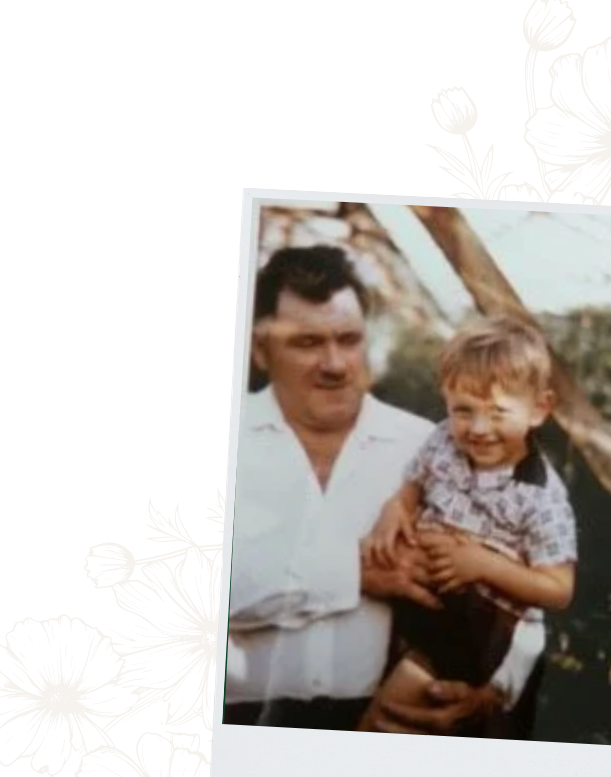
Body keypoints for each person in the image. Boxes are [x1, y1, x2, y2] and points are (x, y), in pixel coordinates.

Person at [224, 244, 540, 733]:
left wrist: (495, 691)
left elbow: (522, 598)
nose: (335, 364)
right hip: (232, 725)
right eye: (306, 343)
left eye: (348, 339)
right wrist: (354, 570)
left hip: (388, 726)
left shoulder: (429, 448)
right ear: (260, 351)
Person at [358, 315, 578, 736]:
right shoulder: (443, 440)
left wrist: (482, 564)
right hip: (420, 594)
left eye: (497, 412)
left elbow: (559, 589)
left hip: (473, 622)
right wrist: (395, 509)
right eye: (463, 410)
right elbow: (415, 483)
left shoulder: (540, 496)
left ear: (539, 409)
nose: (478, 429)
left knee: (386, 721)